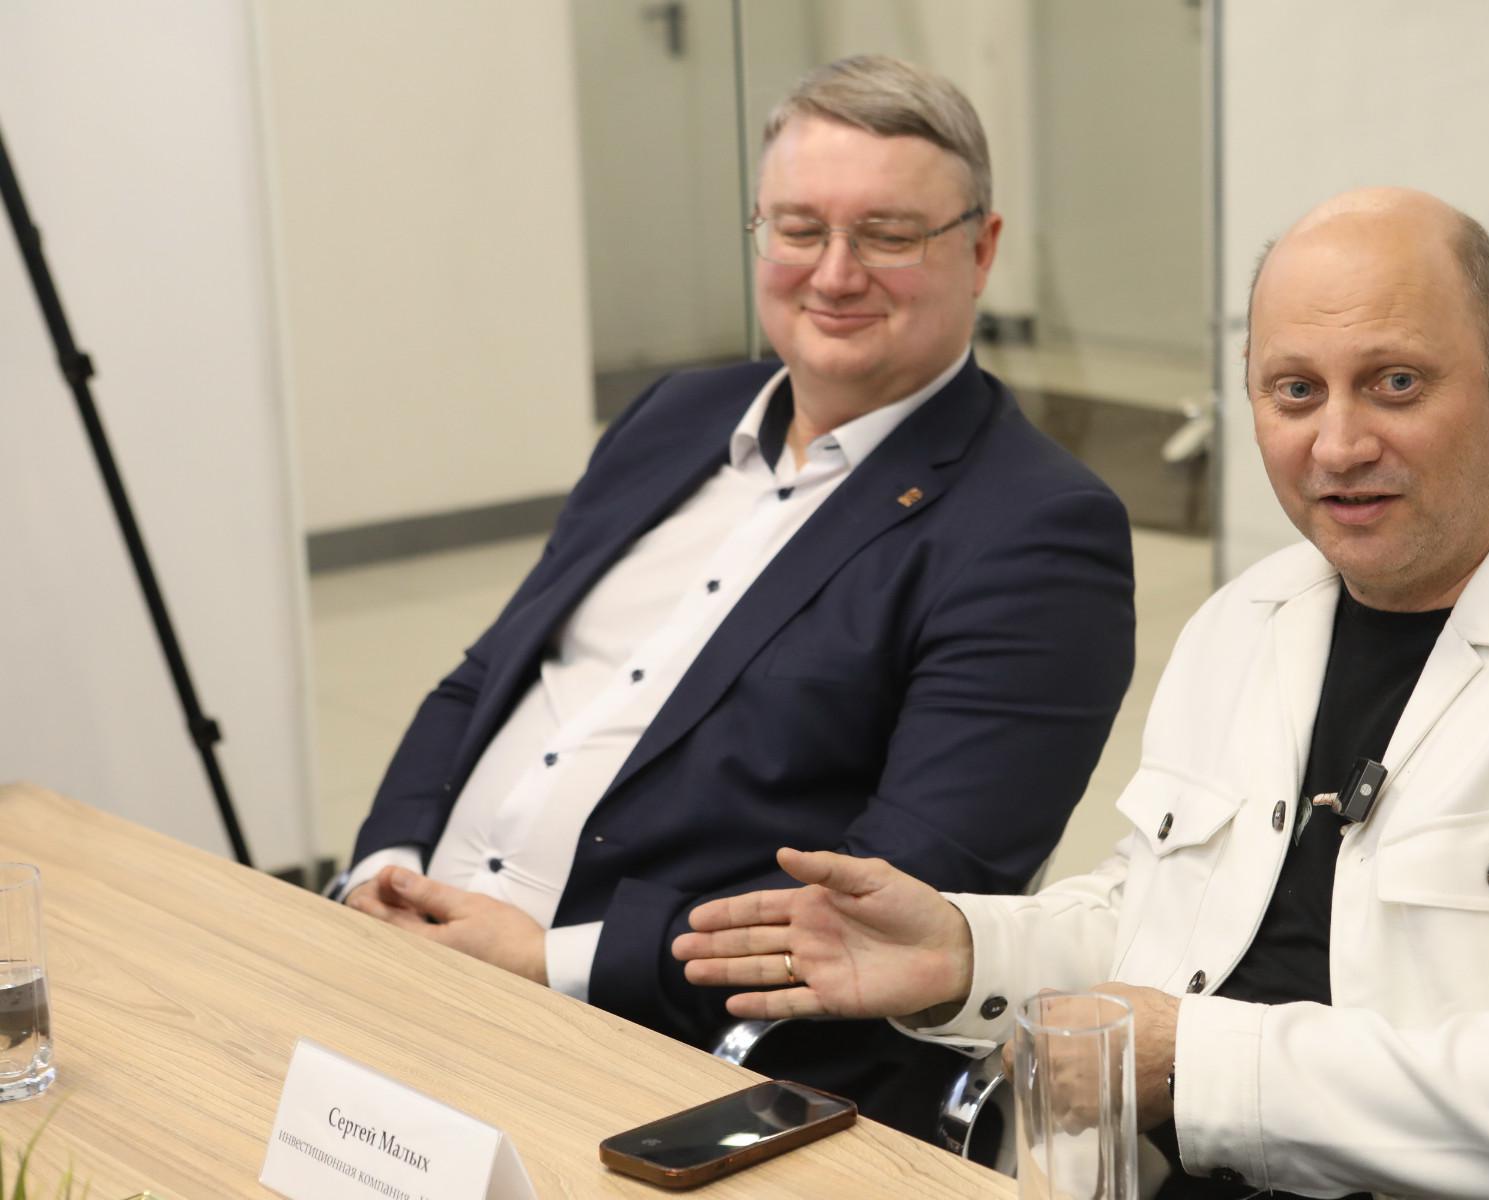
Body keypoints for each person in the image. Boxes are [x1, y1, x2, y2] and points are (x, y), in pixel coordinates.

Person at [674, 187, 1489, 1198]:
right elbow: (1156, 919)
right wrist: (969, 952)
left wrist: (1196, 1060)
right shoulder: (1249, 618)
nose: (1339, 445)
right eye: (1295, 391)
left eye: (1396, 383)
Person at [340, 54, 1135, 1137]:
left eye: (888, 236)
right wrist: (381, 872)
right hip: (400, 961)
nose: (835, 274)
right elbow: (487, 679)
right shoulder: (676, 415)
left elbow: (891, 906)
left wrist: (544, 959)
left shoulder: (1037, 529)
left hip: (649, 1049)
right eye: (799, 229)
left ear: (981, 249)